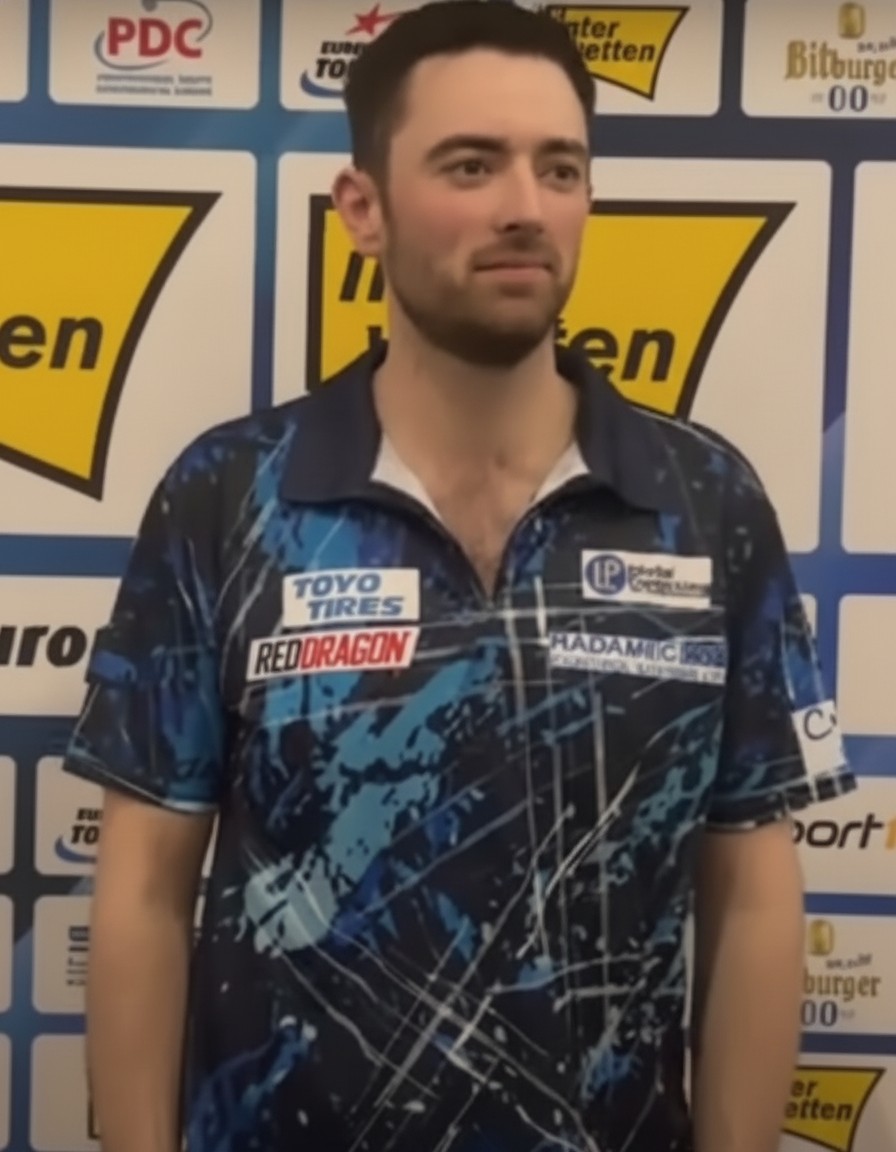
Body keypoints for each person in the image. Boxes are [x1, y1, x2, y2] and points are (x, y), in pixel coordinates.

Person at [63, 3, 857, 1151]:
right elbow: (142, 887)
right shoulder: (229, 497)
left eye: (558, 166)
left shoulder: (703, 503)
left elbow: (749, 887)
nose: (523, 206)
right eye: (470, 165)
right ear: (363, 208)